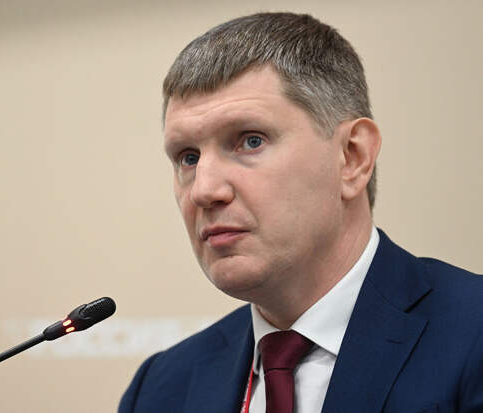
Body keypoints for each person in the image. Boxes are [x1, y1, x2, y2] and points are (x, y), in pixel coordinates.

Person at [119, 12, 483, 413]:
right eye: (188, 157)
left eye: (250, 141)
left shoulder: (473, 334)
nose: (204, 190)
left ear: (353, 157)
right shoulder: (161, 389)